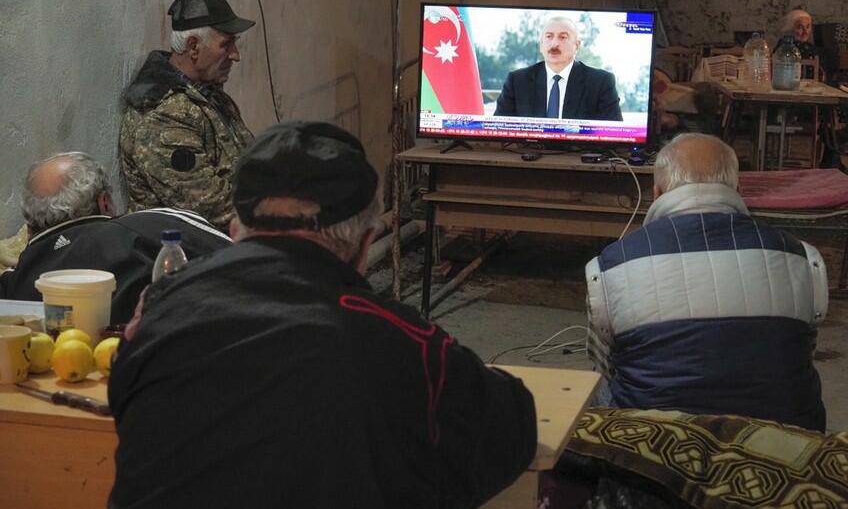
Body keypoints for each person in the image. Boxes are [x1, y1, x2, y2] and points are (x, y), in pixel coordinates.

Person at [108, 121, 537, 509]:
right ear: (365, 246)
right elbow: (511, 427)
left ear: (235, 232)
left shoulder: (160, 309)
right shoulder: (399, 342)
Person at [584, 133, 827, 431]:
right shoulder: (803, 257)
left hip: (653, 439)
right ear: (738, 189)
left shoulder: (610, 265)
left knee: (593, 385)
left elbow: (604, 363)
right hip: (784, 438)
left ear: (656, 193)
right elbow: (802, 349)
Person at [0, 152, 231, 325]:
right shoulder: (155, 224)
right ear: (105, 203)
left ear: (30, 225)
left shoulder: (16, 279)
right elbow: (236, 255)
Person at [119, 0, 255, 230]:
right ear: (193, 47)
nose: (235, 55)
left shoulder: (206, 93)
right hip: (188, 247)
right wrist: (279, 210)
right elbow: (209, 206)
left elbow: (251, 161)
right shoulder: (163, 115)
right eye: (226, 44)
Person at [494, 16, 623, 121]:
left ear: (577, 45)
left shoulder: (600, 82)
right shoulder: (517, 81)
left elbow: (613, 133)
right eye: (549, 36)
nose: (554, 44)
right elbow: (498, 129)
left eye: (563, 37)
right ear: (541, 45)